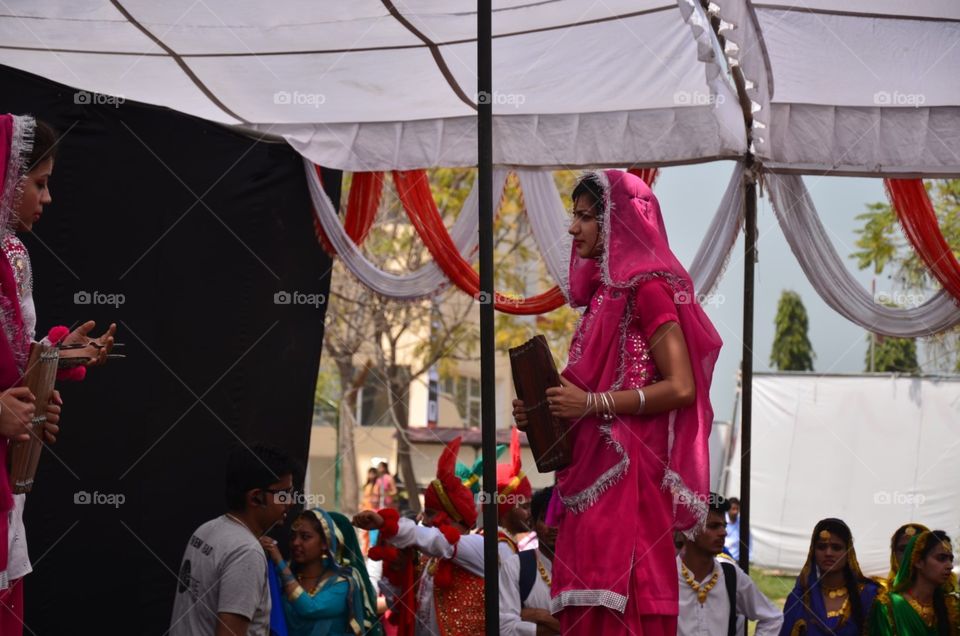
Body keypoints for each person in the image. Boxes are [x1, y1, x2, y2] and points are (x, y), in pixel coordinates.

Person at [513, 170, 722, 633]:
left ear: (618, 225)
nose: (573, 229)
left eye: (586, 218)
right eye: (575, 217)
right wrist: (540, 414)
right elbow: (582, 398)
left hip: (630, 478)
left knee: (621, 610)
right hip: (587, 484)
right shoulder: (601, 299)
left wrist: (591, 403)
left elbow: (682, 386)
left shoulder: (648, 289)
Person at [0, 114, 69, 634]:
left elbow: (16, 363)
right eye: (39, 183)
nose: (46, 200)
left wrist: (49, 377)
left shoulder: (13, 255)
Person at [355, 437, 485, 635]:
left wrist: (386, 524)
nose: (424, 519)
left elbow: (440, 541)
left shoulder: (479, 547)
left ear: (453, 516)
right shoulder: (427, 558)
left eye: (431, 513)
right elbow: (398, 607)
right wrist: (398, 574)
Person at [170, 443, 297, 636]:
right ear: (255, 498)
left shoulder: (206, 530)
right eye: (284, 494)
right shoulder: (246, 552)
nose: (291, 502)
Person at [261, 508, 381, 636]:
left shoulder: (343, 583)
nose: (296, 542)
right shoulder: (284, 579)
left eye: (305, 537)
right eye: (293, 536)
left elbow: (309, 608)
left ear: (325, 542)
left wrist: (279, 562)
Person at [677, 494, 781, 636]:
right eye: (713, 526)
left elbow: (773, 617)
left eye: (724, 526)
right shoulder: (666, 576)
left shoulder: (731, 575)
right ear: (688, 530)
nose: (723, 532)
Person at [779, 518, 879, 636]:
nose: (828, 553)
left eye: (836, 548)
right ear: (813, 552)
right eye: (821, 547)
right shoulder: (801, 598)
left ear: (848, 554)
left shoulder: (868, 595)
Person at [869, 529, 957, 635]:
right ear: (918, 561)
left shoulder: (950, 605)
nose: (950, 566)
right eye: (941, 558)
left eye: (950, 559)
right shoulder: (888, 606)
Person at [499, 486, 561, 636]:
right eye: (546, 519)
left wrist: (542, 617)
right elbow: (505, 629)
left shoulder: (588, 567)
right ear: (532, 523)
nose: (553, 527)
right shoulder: (515, 566)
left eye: (559, 518)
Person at [494, 427, 532, 557]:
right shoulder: (499, 547)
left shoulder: (520, 543)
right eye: (524, 507)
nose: (530, 513)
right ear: (505, 510)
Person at [884, 523, 930, 590]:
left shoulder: (947, 594)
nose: (909, 555)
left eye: (915, 549)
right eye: (902, 550)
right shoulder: (884, 596)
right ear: (894, 555)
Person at [360, 467, 381, 555]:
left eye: (373, 473)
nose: (371, 475)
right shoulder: (367, 485)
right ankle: (364, 551)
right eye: (370, 473)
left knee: (372, 531)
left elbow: (378, 498)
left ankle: (372, 550)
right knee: (364, 532)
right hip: (365, 509)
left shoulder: (378, 485)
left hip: (373, 510)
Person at [724, 497, 751, 562]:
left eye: (737, 509)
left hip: (736, 559)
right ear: (728, 509)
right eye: (733, 509)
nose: (735, 512)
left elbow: (748, 540)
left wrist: (749, 557)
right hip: (723, 557)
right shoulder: (722, 520)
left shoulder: (742, 523)